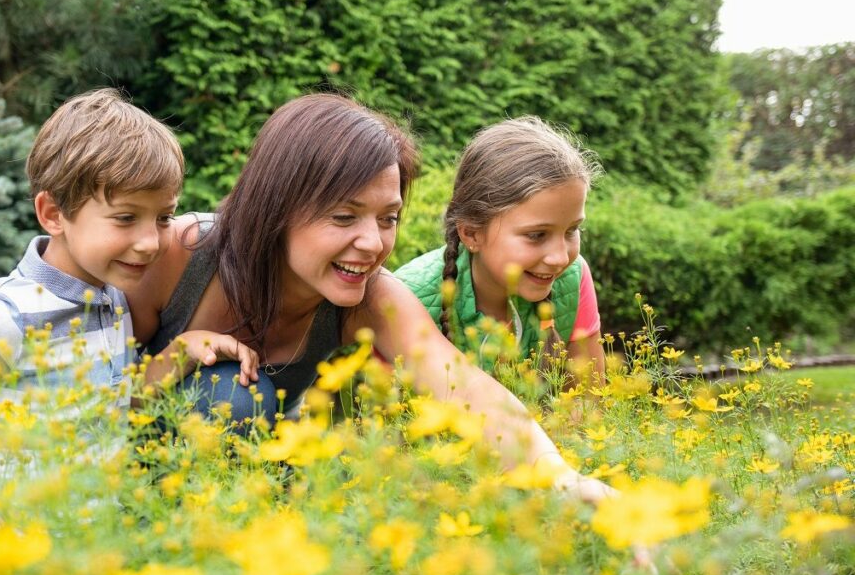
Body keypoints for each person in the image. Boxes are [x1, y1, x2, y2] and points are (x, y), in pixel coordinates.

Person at [128, 94, 612, 502]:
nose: (373, 243)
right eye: (344, 217)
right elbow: (81, 382)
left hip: (256, 481)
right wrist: (172, 359)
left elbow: (466, 389)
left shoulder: (369, 295)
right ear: (274, 206)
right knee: (229, 394)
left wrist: (562, 478)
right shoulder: (173, 255)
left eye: (388, 218)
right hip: (126, 474)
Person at [0, 88, 258, 441]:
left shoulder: (110, 302)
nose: (150, 242)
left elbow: (119, 407)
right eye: (126, 218)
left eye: (164, 218)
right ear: (53, 214)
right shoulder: (8, 314)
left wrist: (182, 350)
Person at [394, 117, 604, 382]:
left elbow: (586, 404)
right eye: (536, 235)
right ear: (471, 232)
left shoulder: (573, 277)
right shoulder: (409, 296)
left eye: (572, 230)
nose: (560, 258)